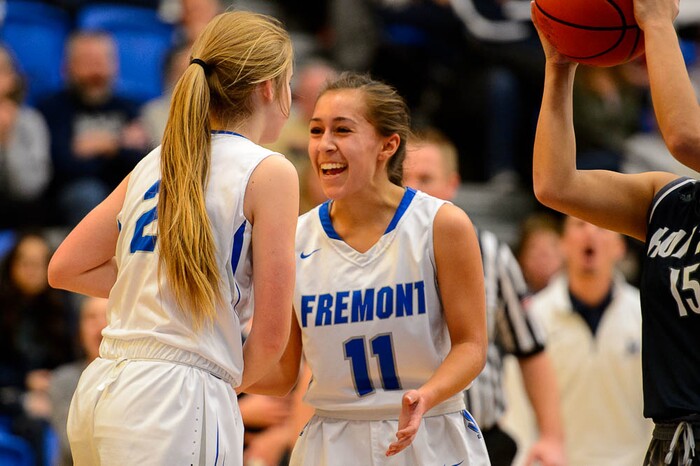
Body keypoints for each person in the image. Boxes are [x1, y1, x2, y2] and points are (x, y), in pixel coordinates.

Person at [47, 10, 298, 465]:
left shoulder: (155, 159)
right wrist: (216, 378)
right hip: (175, 397)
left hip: (103, 385)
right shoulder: (270, 169)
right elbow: (270, 340)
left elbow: (66, 267)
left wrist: (159, 283)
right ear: (269, 88)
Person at [248, 72, 489, 465]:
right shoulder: (293, 238)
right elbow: (281, 372)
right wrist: (208, 365)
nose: (325, 145)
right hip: (332, 439)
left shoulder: (442, 225)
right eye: (316, 130)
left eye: (342, 130)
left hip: (427, 433)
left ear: (387, 145)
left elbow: (472, 346)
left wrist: (426, 395)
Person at [531, 0, 700, 462]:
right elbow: (555, 183)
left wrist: (657, 21)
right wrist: (561, 65)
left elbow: (684, 135)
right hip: (673, 439)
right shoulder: (673, 201)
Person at [403, 129, 565, 466]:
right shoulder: (372, 255)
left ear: (452, 185)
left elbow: (530, 349)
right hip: (403, 440)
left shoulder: (491, 252)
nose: (414, 189)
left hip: (479, 439)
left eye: (426, 178)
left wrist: (551, 437)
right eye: (404, 178)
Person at [528, 216, 652, 466]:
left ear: (620, 247)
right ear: (562, 244)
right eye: (580, 225)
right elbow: (519, 407)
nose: (590, 234)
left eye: (602, 227)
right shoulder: (534, 317)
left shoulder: (646, 314)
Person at [37, 31, 149, 226]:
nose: (96, 72)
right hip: (73, 199)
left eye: (102, 62)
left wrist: (105, 146)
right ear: (67, 67)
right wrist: (120, 146)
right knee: (88, 192)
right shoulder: (52, 109)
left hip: (123, 192)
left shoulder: (132, 108)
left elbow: (142, 162)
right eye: (87, 62)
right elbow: (63, 166)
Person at [0, 231, 77, 466]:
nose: (31, 270)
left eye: (39, 263)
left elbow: (71, 359)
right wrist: (26, 381)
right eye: (25, 262)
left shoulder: (62, 308)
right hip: (9, 392)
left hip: (53, 390)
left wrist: (52, 383)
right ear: (12, 265)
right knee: (31, 422)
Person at [48, 296, 109, 466]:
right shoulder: (64, 379)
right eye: (91, 317)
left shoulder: (135, 378)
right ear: (79, 331)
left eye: (108, 315)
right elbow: (71, 442)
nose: (100, 324)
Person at [0, 44, 52, 229]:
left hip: (22, 214)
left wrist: (8, 139)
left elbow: (28, 189)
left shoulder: (31, 122)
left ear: (13, 78)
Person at [515, 211, 564, 293]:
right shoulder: (513, 298)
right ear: (521, 258)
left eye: (551, 245)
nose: (543, 257)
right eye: (534, 248)